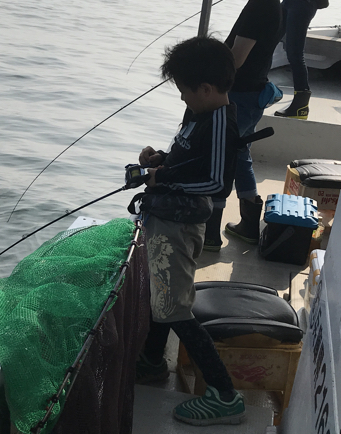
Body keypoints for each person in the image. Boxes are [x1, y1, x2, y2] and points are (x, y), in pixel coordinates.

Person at [132, 36, 245, 426]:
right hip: (165, 220)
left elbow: (216, 184)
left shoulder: (220, 123)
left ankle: (224, 395)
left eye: (184, 90)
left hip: (179, 228)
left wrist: (162, 181)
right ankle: (151, 361)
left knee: (176, 308)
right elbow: (187, 157)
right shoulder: (199, 112)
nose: (182, 97)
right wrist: (159, 161)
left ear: (206, 89)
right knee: (161, 294)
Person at [203, 0, 282, 250]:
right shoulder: (267, 0)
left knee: (221, 159)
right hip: (252, 93)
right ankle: (249, 224)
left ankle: (210, 232)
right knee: (239, 153)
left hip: (240, 97)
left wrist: (204, 70)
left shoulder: (261, 6)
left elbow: (235, 59)